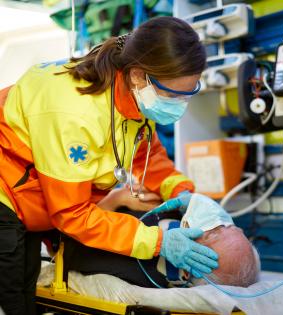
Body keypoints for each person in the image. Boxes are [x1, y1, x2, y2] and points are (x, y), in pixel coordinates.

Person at [0, 16, 219, 315]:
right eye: (172, 95)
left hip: (33, 194)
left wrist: (183, 194)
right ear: (139, 75)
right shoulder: (75, 112)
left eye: (188, 94)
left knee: (25, 286)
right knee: (12, 297)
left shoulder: (138, 99)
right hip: (5, 187)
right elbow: (72, 214)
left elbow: (148, 156)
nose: (178, 106)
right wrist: (158, 242)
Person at [62, 188, 260, 289]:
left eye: (214, 232)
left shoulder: (134, 270)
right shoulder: (180, 216)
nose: (218, 221)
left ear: (185, 273)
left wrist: (115, 199)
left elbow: (70, 233)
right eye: (232, 226)